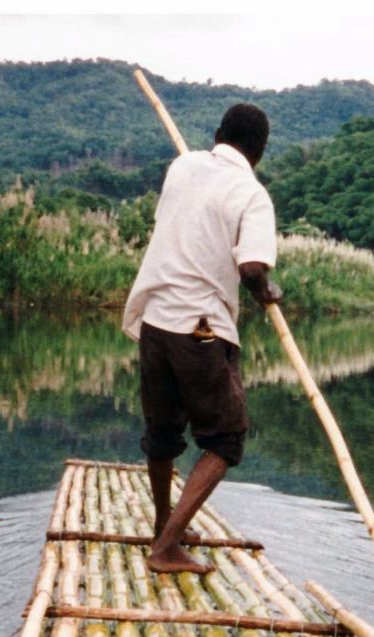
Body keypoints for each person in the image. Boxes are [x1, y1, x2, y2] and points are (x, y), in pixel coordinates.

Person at [119, 103, 282, 574]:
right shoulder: (252, 194)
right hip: (201, 328)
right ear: (261, 152)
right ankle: (167, 546)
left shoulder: (183, 165)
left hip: (155, 321)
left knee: (163, 433)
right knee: (226, 439)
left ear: (217, 135)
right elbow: (252, 266)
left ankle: (163, 525)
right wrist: (265, 290)